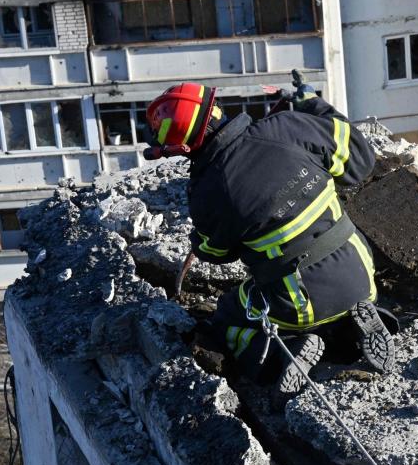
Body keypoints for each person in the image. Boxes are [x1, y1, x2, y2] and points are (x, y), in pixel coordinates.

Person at [143, 74, 395, 399]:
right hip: (361, 269)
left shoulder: (208, 192)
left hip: (300, 301)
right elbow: (360, 158)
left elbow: (215, 253)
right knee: (321, 270)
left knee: (229, 317)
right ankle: (349, 326)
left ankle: (281, 353)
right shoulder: (288, 127)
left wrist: (202, 233)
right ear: (214, 107)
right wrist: (312, 104)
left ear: (182, 148)